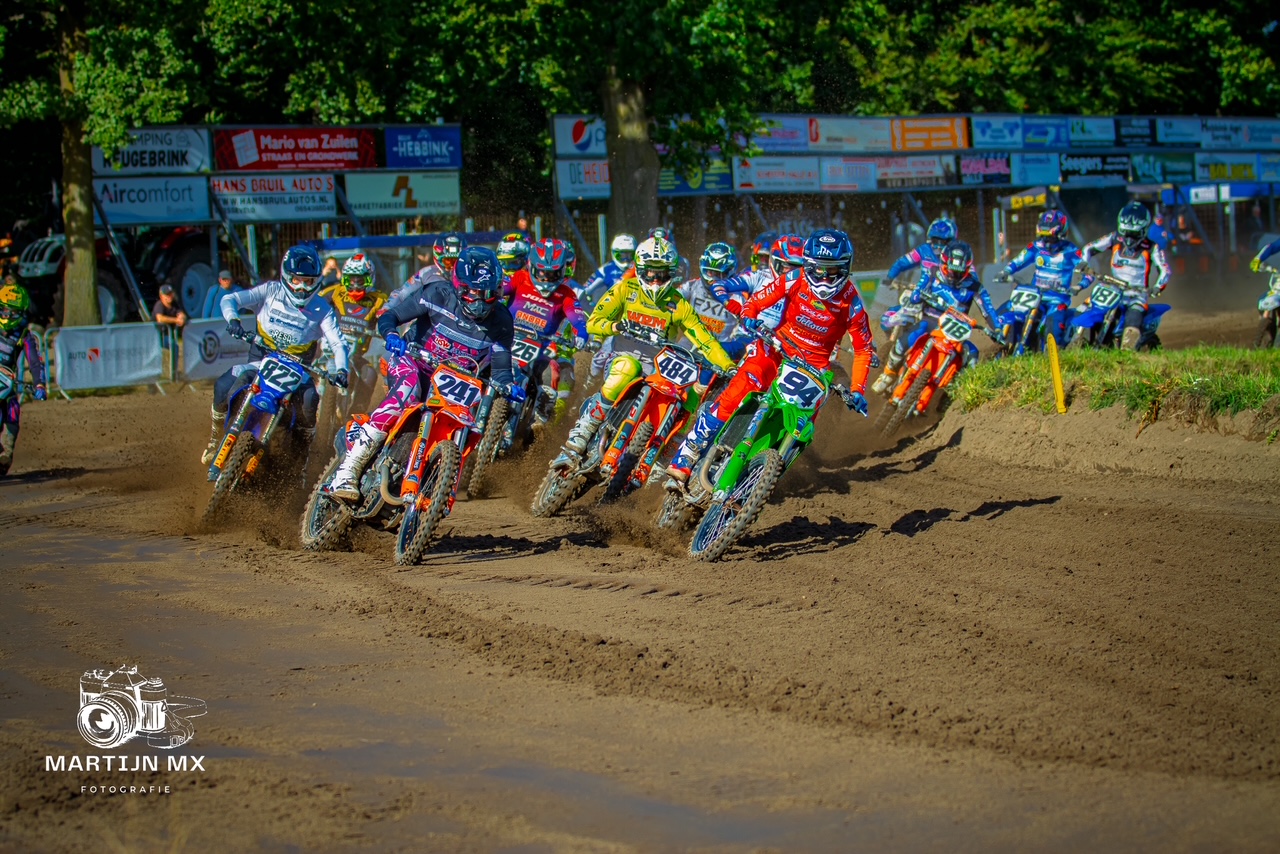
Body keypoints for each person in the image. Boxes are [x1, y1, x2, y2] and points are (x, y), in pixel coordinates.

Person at [666, 229, 873, 485]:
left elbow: (864, 349)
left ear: (845, 268)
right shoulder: (794, 278)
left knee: (802, 428)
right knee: (739, 390)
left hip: (814, 369)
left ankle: (760, 477)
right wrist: (748, 316)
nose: (824, 276)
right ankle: (687, 454)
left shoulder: (852, 303)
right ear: (808, 265)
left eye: (833, 270)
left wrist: (858, 390)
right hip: (776, 347)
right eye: (818, 269)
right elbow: (757, 302)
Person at [326, 246, 519, 500]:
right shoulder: (437, 294)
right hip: (414, 362)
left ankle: (430, 478)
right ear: (460, 287)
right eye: (474, 293)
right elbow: (391, 316)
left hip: (455, 381)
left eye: (488, 294)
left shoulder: (502, 321)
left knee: (467, 417)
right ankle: (348, 470)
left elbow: (502, 368)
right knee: (409, 388)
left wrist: (509, 386)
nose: (481, 301)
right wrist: (392, 335)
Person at [551, 236, 734, 469]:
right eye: (650, 273)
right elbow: (594, 322)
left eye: (662, 274)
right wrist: (615, 326)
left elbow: (705, 339)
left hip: (659, 371)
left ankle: (664, 454)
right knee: (628, 367)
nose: (656, 280)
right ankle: (583, 431)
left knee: (688, 395)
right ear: (639, 270)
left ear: (671, 273)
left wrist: (729, 366)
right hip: (622, 360)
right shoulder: (625, 290)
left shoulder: (678, 304)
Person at [201, 245, 349, 467]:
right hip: (259, 363)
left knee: (310, 402)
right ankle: (215, 440)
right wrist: (233, 320)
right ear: (286, 276)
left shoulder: (323, 309)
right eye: (297, 280)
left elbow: (338, 343)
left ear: (316, 280)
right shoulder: (270, 291)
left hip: (298, 372)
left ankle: (301, 462)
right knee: (223, 386)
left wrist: (342, 369)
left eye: (308, 281)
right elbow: (229, 300)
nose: (301, 287)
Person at [874, 241, 995, 393]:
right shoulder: (932, 273)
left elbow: (988, 311)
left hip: (954, 329)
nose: (954, 276)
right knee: (909, 337)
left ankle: (958, 392)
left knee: (972, 354)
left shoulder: (974, 286)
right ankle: (888, 373)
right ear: (944, 263)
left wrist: (998, 329)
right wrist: (918, 295)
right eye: (952, 271)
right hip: (930, 320)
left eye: (959, 273)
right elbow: (916, 294)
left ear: (967, 269)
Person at [504, 238, 589, 441]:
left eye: (552, 274)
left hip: (539, 350)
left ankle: (538, 424)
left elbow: (578, 320)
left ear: (562, 270)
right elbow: (498, 290)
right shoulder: (519, 278)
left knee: (551, 374)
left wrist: (581, 335)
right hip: (506, 340)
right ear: (531, 266)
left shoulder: (567, 295)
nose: (546, 278)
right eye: (542, 272)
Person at [1080, 201, 1170, 350]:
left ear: (1143, 230)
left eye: (1133, 235)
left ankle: (1127, 355)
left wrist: (1157, 287)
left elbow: (1165, 270)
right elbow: (1089, 248)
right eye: (1126, 233)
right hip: (1112, 290)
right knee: (1085, 307)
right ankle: (1076, 341)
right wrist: (1083, 263)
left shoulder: (1152, 248)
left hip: (1136, 296)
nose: (1129, 239)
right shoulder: (1114, 238)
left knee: (1132, 323)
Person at [995, 210, 1088, 348]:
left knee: (1053, 331)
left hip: (1056, 301)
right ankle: (1004, 342)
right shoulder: (1036, 246)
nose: (1047, 242)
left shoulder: (1071, 251)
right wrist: (1006, 271)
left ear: (1061, 233)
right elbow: (1018, 261)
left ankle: (1053, 352)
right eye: (1044, 237)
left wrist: (1079, 286)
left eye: (1050, 237)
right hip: (1035, 296)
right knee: (1006, 309)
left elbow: (1089, 273)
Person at [318, 254, 387, 412]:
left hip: (355, 355)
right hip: (328, 349)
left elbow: (392, 315)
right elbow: (314, 304)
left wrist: (388, 330)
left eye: (360, 281)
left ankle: (355, 414)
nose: (355, 286)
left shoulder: (379, 299)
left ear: (370, 279)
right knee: (306, 359)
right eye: (351, 281)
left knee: (370, 373)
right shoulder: (335, 292)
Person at [0, 280, 48, 475]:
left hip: (5, 384)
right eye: (3, 309)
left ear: (19, 313)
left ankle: (6, 453)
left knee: (13, 409)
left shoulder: (24, 335)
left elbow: (35, 362)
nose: (6, 314)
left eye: (10, 311)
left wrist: (40, 384)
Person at [881, 218, 957, 291]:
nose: (939, 245)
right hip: (924, 293)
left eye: (943, 241)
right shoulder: (923, 250)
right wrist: (890, 277)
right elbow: (902, 262)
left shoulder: (956, 254)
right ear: (930, 238)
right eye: (935, 240)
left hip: (948, 294)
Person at [579, 233, 636, 310]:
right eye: (621, 255)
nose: (626, 259)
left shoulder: (639, 268)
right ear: (614, 253)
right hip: (613, 308)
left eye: (630, 255)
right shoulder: (606, 269)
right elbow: (585, 289)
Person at [496, 232, 533, 304]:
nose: (509, 268)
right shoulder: (498, 280)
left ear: (527, 260)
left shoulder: (533, 281)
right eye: (503, 263)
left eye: (514, 263)